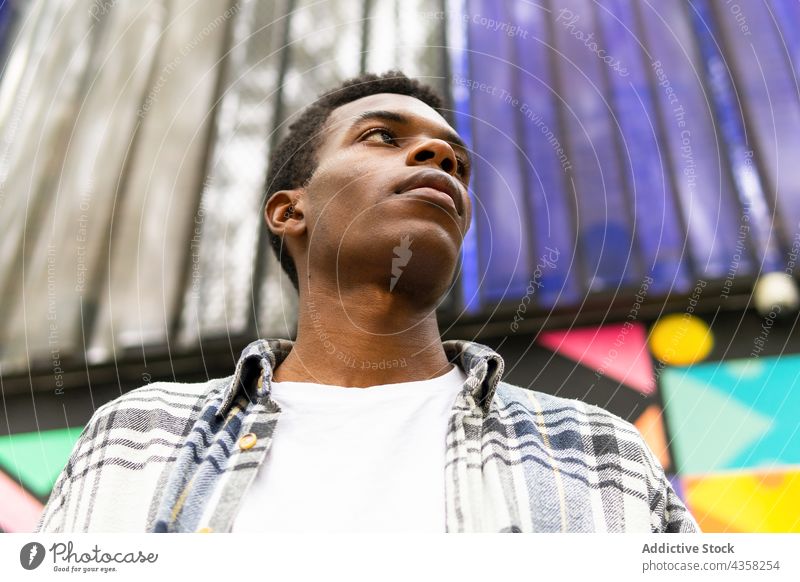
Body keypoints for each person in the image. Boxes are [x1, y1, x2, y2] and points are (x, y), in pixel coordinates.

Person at [36, 70, 698, 533]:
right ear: (289, 212)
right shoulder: (141, 435)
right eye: (384, 136)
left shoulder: (599, 451)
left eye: (458, 166)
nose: (438, 157)